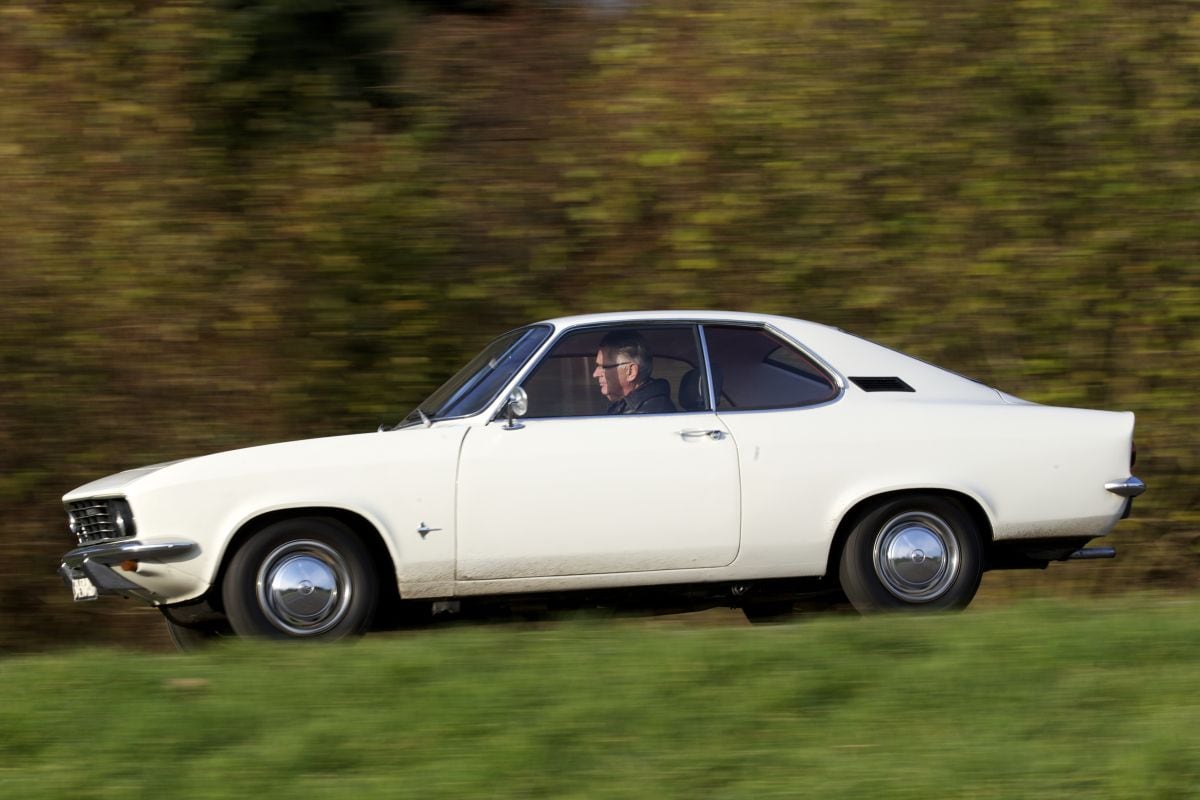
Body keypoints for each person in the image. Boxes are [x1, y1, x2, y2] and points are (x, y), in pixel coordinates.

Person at [593, 330, 677, 414]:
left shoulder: (648, 414)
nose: (595, 374)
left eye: (604, 366)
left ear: (631, 372)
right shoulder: (631, 407)